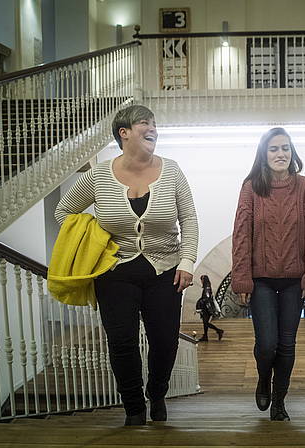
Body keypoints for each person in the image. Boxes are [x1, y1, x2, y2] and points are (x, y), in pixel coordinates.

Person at [55, 105, 198, 426]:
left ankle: (157, 393)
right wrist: (93, 242)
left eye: (155, 123)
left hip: (165, 270)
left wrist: (187, 260)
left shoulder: (172, 171)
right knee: (122, 343)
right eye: (145, 123)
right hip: (114, 273)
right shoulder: (98, 176)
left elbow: (189, 218)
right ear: (124, 132)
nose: (153, 128)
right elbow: (64, 212)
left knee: (165, 341)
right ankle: (134, 408)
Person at [232, 127, 305, 421]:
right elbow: (241, 234)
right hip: (261, 281)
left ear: (292, 152)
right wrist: (242, 278)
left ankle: (279, 401)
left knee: (286, 345)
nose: (280, 153)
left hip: (295, 281)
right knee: (267, 344)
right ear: (264, 154)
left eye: (285, 148)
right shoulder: (251, 187)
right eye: (273, 149)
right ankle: (263, 378)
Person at [195, 274, 224, 341]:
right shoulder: (207, 287)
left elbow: (206, 298)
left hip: (207, 308)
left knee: (205, 322)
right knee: (205, 322)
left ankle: (219, 331)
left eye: (201, 280)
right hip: (206, 308)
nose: (201, 282)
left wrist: (200, 304)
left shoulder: (207, 288)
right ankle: (205, 336)